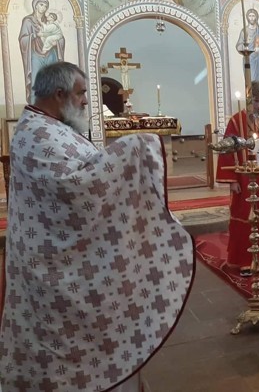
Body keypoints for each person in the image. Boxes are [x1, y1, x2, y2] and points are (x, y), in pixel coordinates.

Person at [0, 62, 194, 392]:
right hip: (53, 264)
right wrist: (135, 148)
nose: (86, 101)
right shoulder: (37, 133)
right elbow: (74, 185)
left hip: (61, 253)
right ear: (58, 94)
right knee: (63, 343)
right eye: (80, 94)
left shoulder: (49, 126)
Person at [216, 82, 259, 276]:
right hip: (243, 177)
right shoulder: (236, 121)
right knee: (244, 215)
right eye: (256, 101)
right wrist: (232, 180)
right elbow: (227, 150)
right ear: (249, 100)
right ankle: (244, 261)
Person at [19, 0, 64, 98]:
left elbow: (60, 37)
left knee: (53, 80)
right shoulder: (28, 21)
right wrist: (34, 36)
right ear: (35, 5)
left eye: (46, 6)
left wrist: (57, 43)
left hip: (51, 54)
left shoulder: (49, 21)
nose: (44, 8)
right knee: (36, 80)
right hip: (35, 54)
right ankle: (36, 104)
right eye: (41, 5)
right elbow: (22, 39)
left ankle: (53, 104)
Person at [236, 8, 259, 84]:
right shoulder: (244, 31)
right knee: (250, 82)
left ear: (256, 17)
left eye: (253, 16)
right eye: (250, 16)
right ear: (247, 17)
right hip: (249, 60)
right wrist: (245, 46)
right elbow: (238, 46)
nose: (251, 18)